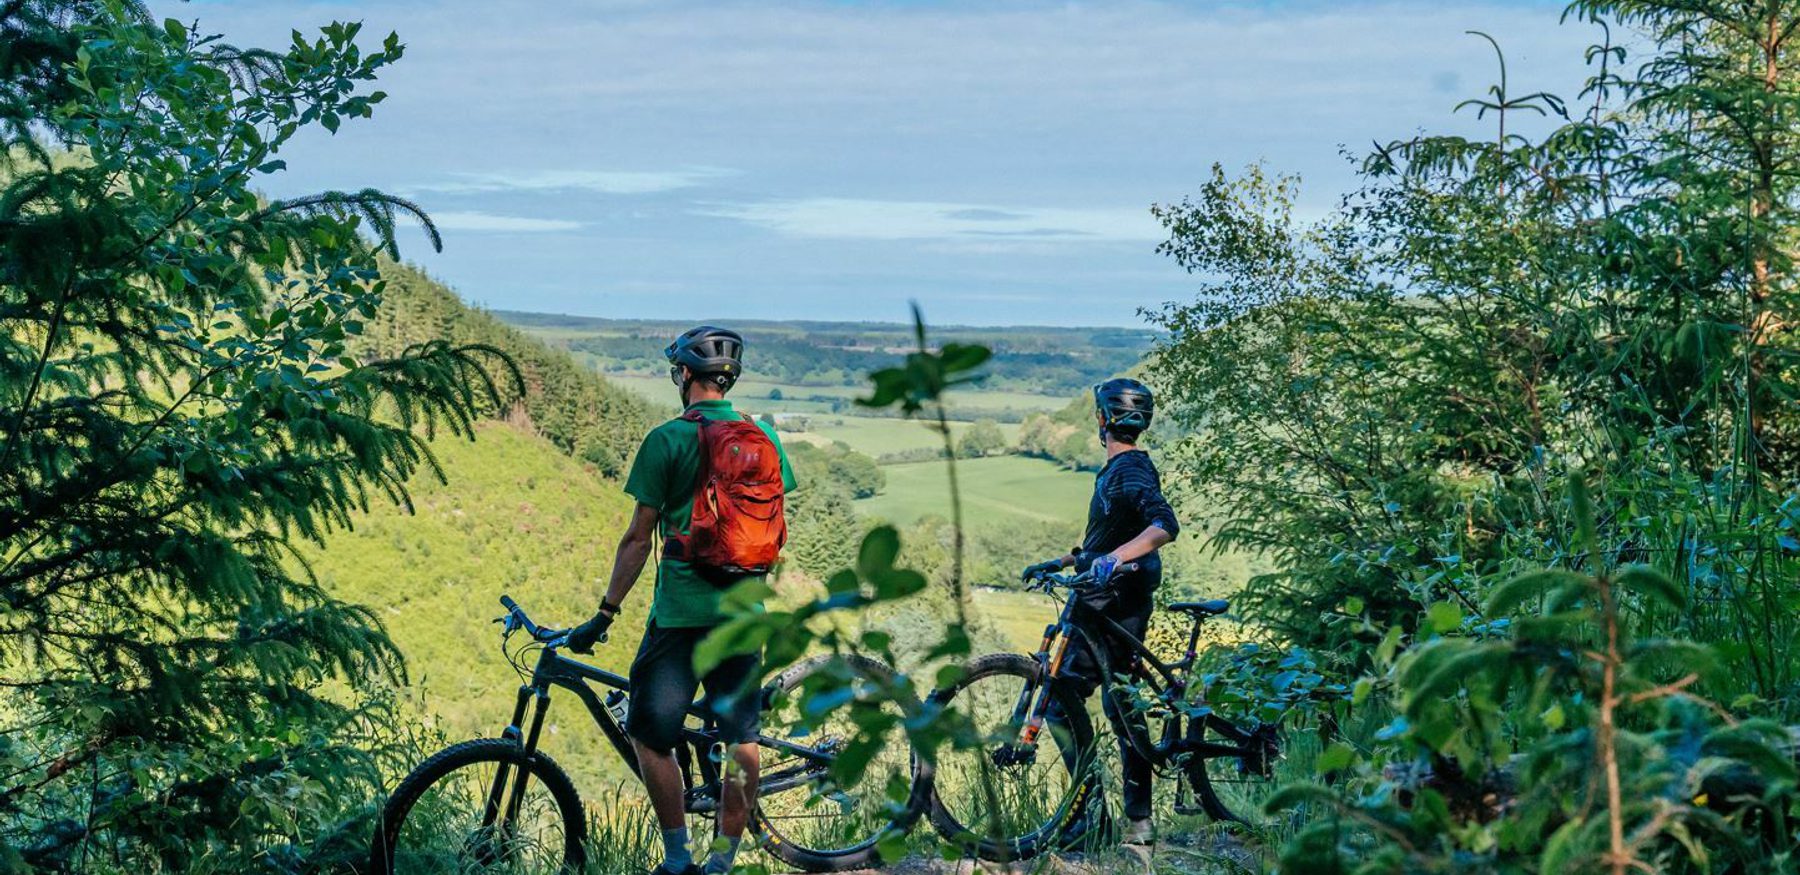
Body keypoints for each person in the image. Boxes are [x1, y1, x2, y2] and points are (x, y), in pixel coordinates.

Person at [565, 326, 797, 875]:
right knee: (741, 739)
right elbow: (772, 525)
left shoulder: (666, 440)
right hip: (743, 617)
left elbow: (638, 539)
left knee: (648, 735)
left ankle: (677, 861)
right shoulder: (763, 437)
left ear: (686, 377)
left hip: (681, 617)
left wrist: (605, 612)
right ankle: (722, 864)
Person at [1020, 377, 1179, 848]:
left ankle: (1113, 817)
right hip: (1097, 592)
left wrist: (1113, 561)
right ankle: (1102, 813)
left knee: (1100, 700)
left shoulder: (1129, 469)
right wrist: (1069, 559)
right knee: (1089, 698)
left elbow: (1164, 525)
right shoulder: (1117, 470)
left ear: (1102, 419)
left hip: (1116, 598)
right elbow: (1107, 536)